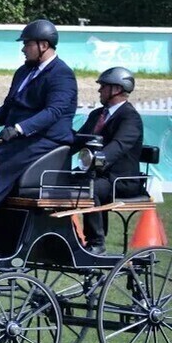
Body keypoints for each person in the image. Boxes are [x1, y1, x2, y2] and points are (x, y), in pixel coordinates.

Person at [0, 19, 78, 232]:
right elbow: (10, 107)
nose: (23, 48)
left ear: (43, 45)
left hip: (46, 140)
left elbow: (53, 112)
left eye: (27, 44)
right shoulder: (23, 72)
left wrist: (20, 128)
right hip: (19, 137)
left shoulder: (61, 74)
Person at [75, 66, 144, 254]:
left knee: (91, 188)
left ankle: (96, 242)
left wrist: (97, 159)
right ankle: (68, 237)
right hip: (98, 176)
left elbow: (119, 146)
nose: (99, 90)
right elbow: (79, 139)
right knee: (63, 182)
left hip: (121, 180)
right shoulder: (97, 115)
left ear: (117, 89)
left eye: (103, 86)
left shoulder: (130, 118)